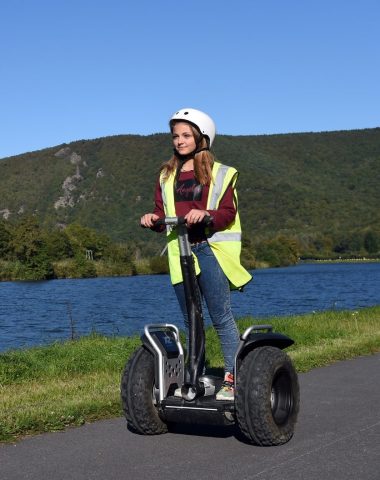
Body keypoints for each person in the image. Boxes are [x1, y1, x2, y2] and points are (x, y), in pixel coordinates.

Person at [140, 108, 252, 400]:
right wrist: (152, 220)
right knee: (191, 319)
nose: (179, 141)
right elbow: (162, 212)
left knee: (220, 317)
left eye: (186, 135)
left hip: (208, 250)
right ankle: (195, 377)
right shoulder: (166, 175)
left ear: (202, 138)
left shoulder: (220, 173)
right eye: (175, 136)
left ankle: (233, 377)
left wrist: (206, 215)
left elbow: (227, 213)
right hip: (180, 253)